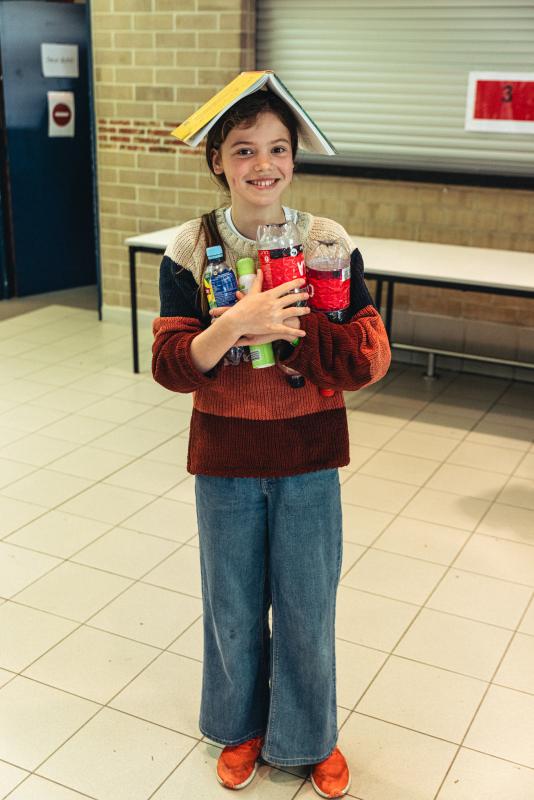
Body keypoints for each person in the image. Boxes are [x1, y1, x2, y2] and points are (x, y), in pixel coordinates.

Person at [152, 85, 391, 798]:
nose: (264, 164)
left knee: (307, 605)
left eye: (278, 149)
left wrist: (296, 331)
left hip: (309, 457)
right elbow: (171, 367)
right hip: (224, 460)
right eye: (244, 150)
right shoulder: (191, 247)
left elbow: (369, 357)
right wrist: (234, 323)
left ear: (293, 158)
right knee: (231, 605)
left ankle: (310, 735)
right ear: (218, 162)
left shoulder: (328, 242)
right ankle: (241, 728)